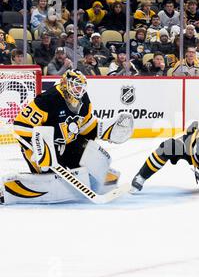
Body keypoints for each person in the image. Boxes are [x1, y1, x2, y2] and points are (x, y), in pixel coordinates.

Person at [5, 69, 133, 204]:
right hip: (43, 148)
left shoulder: (83, 98)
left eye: (81, 87)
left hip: (67, 143)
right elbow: (21, 124)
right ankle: (16, 188)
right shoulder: (49, 99)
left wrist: (104, 131)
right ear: (65, 83)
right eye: (76, 86)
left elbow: (85, 125)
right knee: (48, 173)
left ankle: (97, 176)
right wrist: (36, 147)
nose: (79, 90)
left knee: (90, 150)